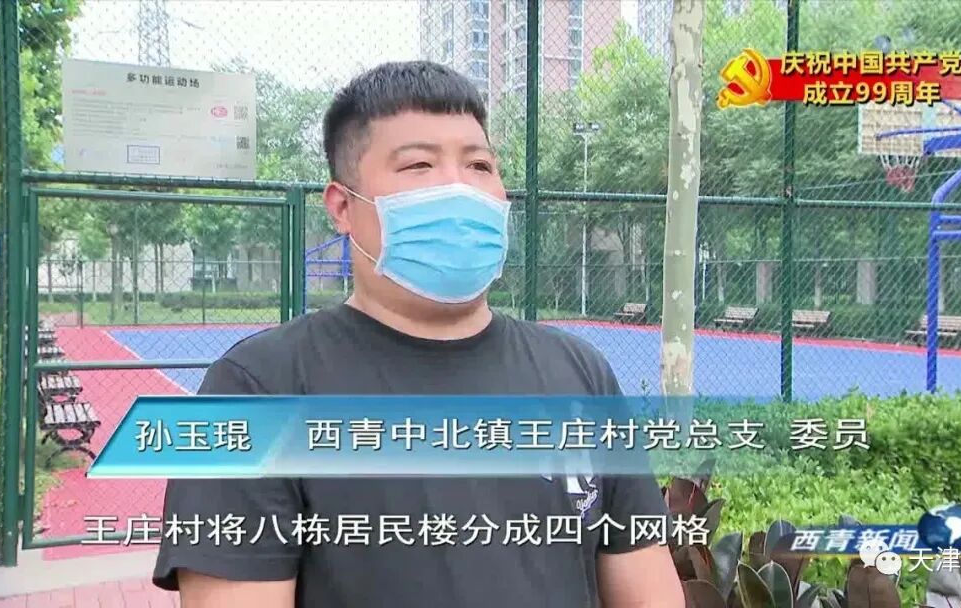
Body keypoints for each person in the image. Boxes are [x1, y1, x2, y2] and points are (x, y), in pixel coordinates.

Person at [152, 60, 683, 607]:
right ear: (343, 206)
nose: (459, 187)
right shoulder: (255, 391)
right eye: (419, 165)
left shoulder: (580, 374)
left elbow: (648, 589)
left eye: (479, 165)